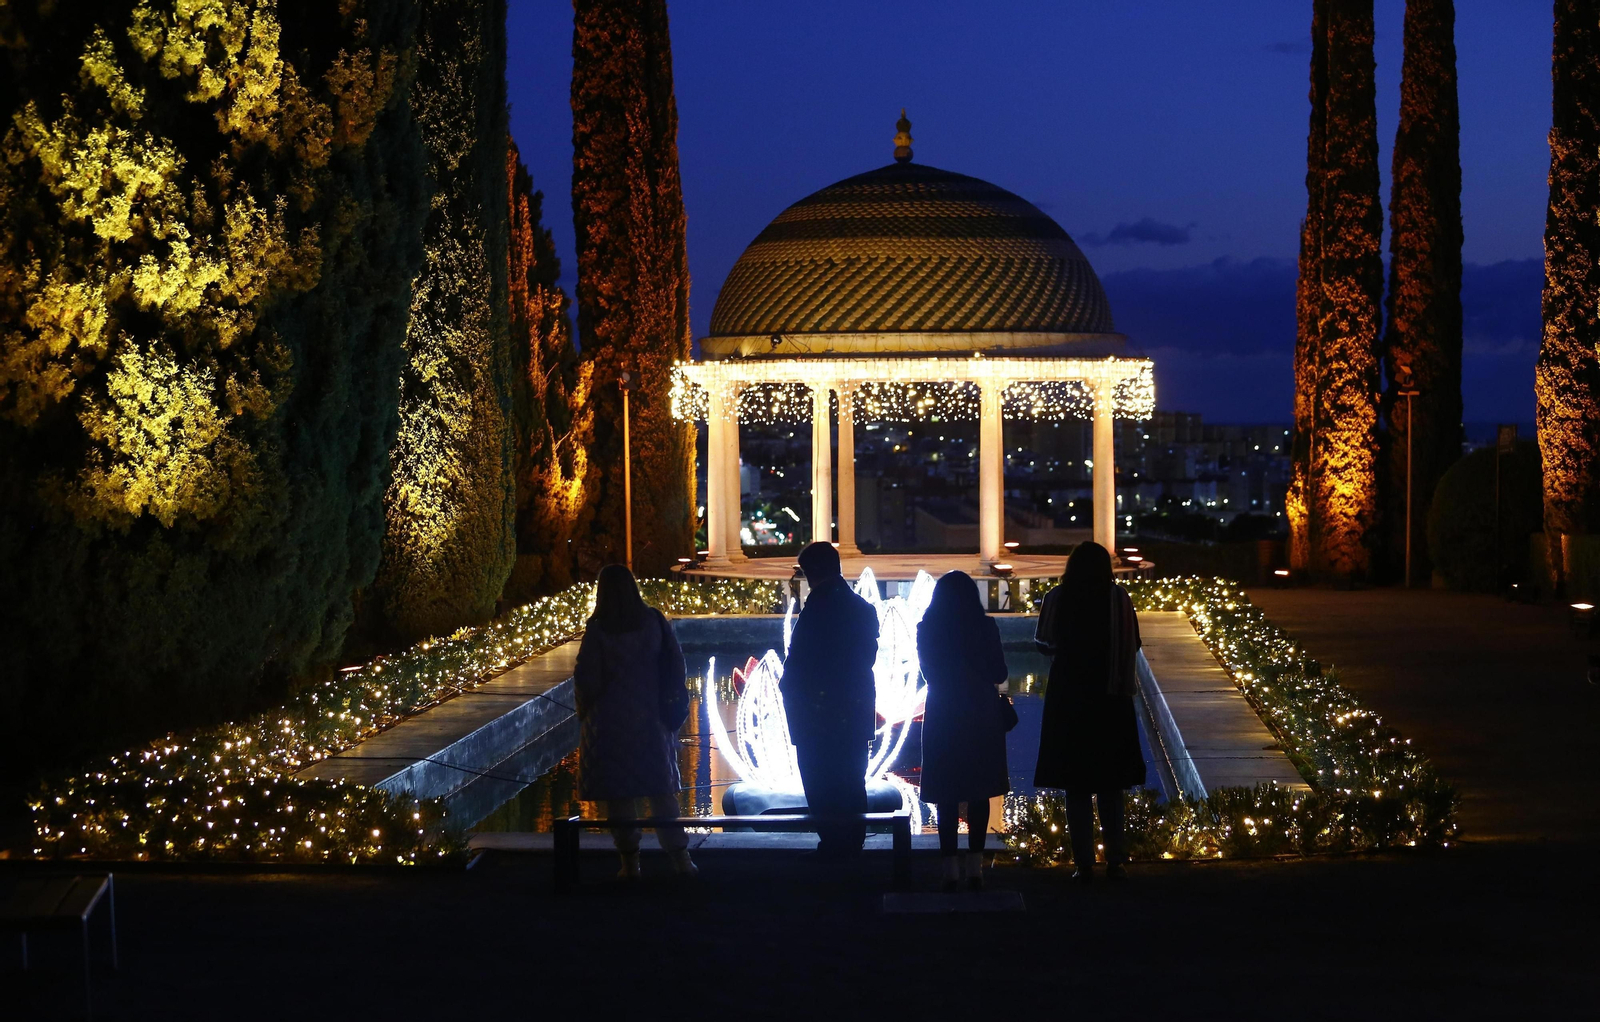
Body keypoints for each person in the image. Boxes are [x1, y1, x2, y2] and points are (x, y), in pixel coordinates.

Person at [573, 564, 696, 880]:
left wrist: (585, 711)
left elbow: (587, 678)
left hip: (611, 725)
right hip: (651, 721)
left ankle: (630, 863)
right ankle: (680, 859)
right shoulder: (654, 621)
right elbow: (675, 664)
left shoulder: (599, 631)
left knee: (620, 798)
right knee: (661, 793)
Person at [1034, 542, 1146, 882]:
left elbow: (1043, 641)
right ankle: (1116, 860)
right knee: (1110, 784)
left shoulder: (1057, 597)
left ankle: (1083, 863)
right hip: (1110, 700)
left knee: (1076, 785)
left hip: (1070, 699)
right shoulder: (1118, 599)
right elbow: (1134, 643)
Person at [781, 541, 879, 857]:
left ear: (811, 574)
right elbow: (866, 661)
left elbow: (798, 665)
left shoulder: (816, 611)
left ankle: (834, 844)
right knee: (853, 780)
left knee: (821, 781)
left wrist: (788, 690)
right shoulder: (864, 610)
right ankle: (853, 843)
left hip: (816, 717)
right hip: (854, 712)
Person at [916, 570, 1011, 892]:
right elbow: (999, 672)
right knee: (979, 789)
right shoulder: (984, 627)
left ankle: (949, 868)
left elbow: (929, 675)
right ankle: (975, 866)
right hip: (980, 711)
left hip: (944, 710)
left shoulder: (927, 629)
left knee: (946, 791)